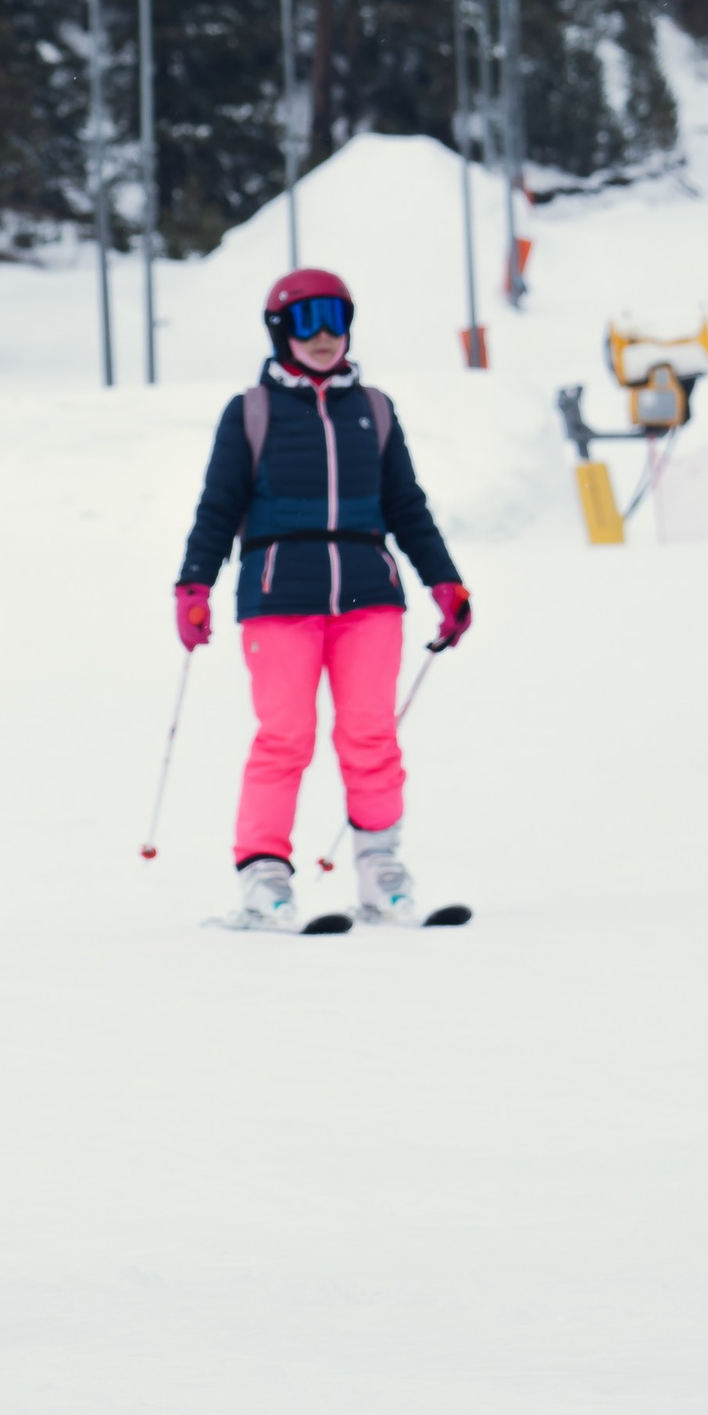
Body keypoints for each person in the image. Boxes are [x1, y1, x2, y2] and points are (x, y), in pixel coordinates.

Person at [174, 267, 472, 931]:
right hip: (279, 597)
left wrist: (444, 582)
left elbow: (407, 507)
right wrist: (194, 585)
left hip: (370, 595)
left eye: (336, 318)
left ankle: (380, 870)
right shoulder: (251, 411)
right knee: (285, 737)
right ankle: (264, 877)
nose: (324, 335)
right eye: (307, 321)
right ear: (280, 330)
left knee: (371, 735)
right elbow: (218, 507)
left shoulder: (374, 409)